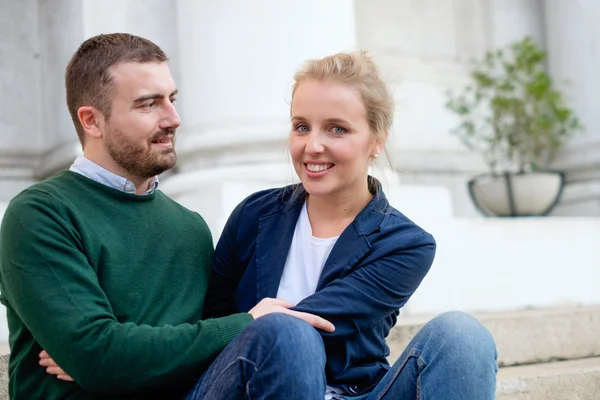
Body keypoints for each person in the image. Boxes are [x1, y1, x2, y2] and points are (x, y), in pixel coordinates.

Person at [0, 33, 334, 399]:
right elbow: (98, 356)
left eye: (172, 100)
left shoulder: (189, 227)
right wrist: (247, 324)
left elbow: (173, 358)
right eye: (149, 105)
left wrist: (118, 360)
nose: (173, 119)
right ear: (92, 121)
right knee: (281, 332)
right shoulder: (40, 215)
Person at [202, 51, 499, 399]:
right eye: (301, 127)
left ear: (376, 141)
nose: (312, 146)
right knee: (288, 336)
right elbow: (213, 325)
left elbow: (318, 320)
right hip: (251, 388)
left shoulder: (404, 244)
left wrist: (252, 321)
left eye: (337, 129)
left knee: (463, 335)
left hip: (356, 393)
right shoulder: (254, 215)